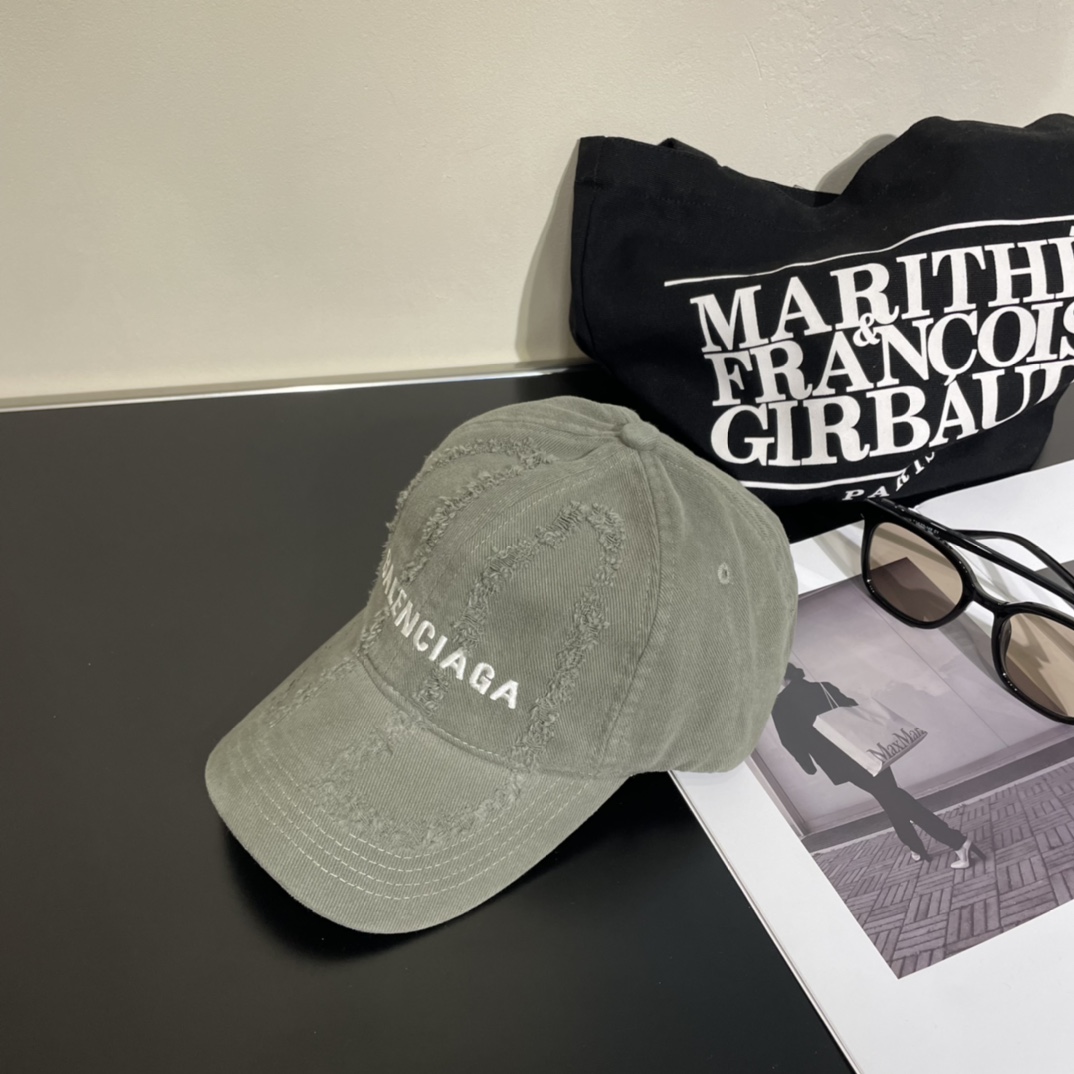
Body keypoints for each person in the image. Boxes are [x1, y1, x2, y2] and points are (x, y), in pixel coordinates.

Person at [772, 664, 983, 868]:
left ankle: (957, 842)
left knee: (893, 798)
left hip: (842, 762)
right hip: (869, 750)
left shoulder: (781, 706)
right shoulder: (823, 687)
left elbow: (790, 741)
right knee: (890, 797)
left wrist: (808, 765)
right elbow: (854, 710)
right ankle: (916, 846)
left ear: (781, 677)